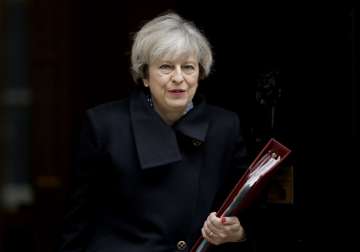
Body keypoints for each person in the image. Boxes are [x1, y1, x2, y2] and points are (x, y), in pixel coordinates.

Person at [59, 12, 252, 252]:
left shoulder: (225, 126)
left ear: (200, 74)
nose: (178, 78)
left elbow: (249, 210)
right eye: (166, 67)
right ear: (145, 75)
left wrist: (238, 231)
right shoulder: (104, 125)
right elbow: (78, 223)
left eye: (188, 67)